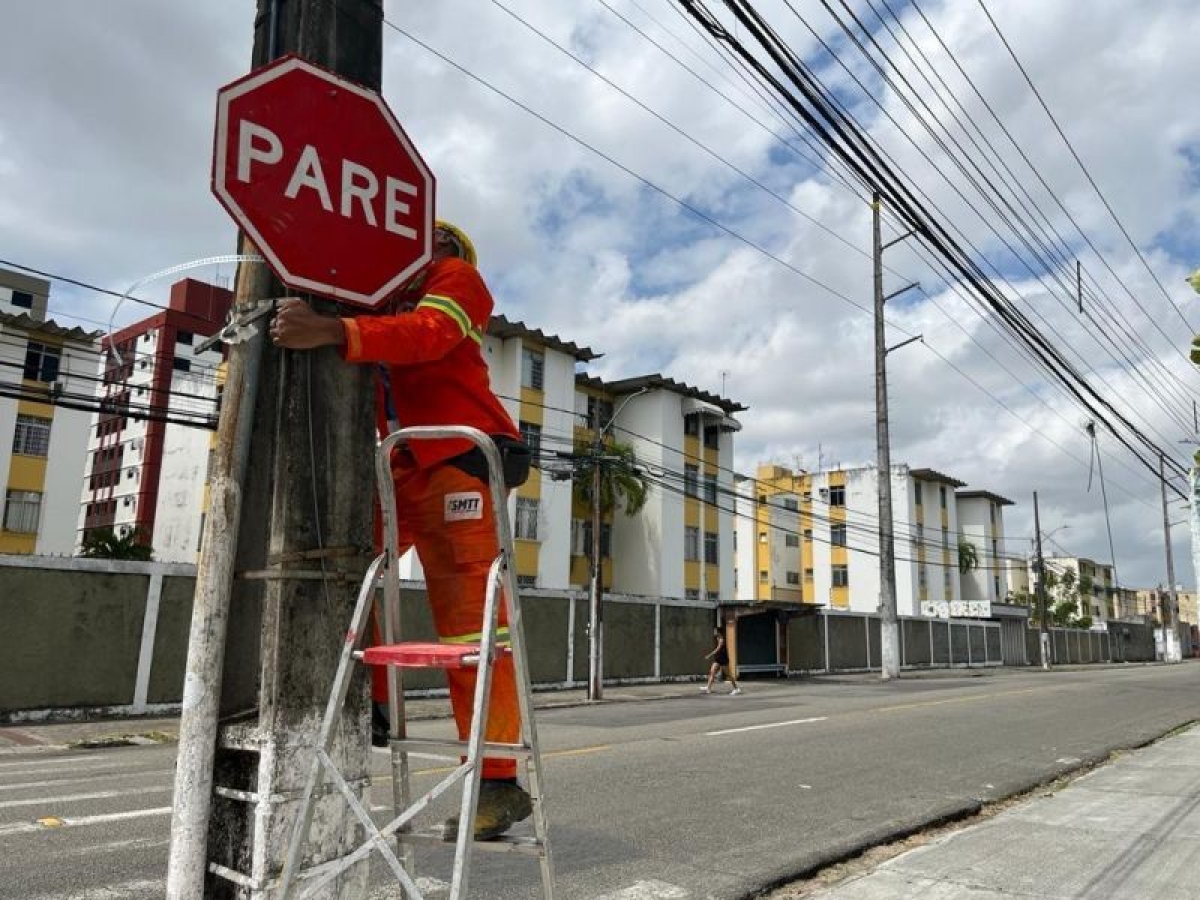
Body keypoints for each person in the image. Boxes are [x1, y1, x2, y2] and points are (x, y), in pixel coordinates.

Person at [270, 220, 533, 842]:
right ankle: (375, 707)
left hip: (456, 460)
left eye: (425, 236)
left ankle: (498, 780)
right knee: (348, 576)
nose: (409, 243)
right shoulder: (378, 301)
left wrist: (333, 330)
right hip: (400, 464)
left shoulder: (457, 277)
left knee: (473, 627)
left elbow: (430, 334)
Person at [701, 626, 741, 695]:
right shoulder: (717, 638)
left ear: (719, 632)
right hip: (718, 659)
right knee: (712, 672)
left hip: (723, 659)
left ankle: (736, 689)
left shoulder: (721, 640)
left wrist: (709, 655)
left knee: (728, 674)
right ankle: (708, 688)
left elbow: (717, 649)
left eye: (715, 631)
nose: (714, 632)